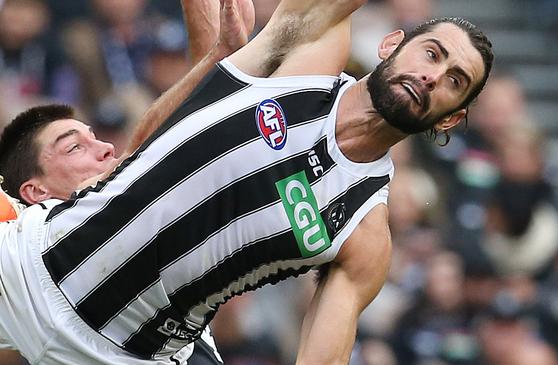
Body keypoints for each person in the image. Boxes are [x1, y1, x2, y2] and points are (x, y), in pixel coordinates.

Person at [0, 0, 493, 363]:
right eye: (432, 54)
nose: (434, 76)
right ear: (390, 43)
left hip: (122, 354)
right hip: (29, 260)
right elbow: (147, 146)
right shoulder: (307, 59)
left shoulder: (366, 234)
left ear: (449, 121)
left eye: (455, 80)